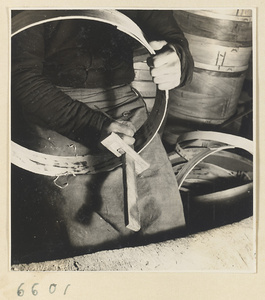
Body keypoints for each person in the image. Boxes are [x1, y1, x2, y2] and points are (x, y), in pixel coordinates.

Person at [11, 9, 194, 263]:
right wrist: (91, 125)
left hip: (123, 102)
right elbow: (20, 77)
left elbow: (172, 38)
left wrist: (178, 59)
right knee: (92, 245)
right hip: (54, 107)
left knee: (167, 224)